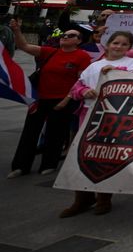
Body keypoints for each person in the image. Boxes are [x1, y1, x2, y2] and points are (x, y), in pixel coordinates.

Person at [58, 31, 133, 217]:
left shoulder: (132, 64)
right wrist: (84, 91)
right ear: (108, 44)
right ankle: (82, 198)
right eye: (116, 43)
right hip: (88, 114)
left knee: (105, 157)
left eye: (124, 44)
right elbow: (77, 87)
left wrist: (116, 72)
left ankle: (104, 198)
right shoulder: (94, 66)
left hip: (112, 116)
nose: (119, 47)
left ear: (129, 48)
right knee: (82, 155)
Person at [8, 19, 91, 178]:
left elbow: (80, 81)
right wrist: (17, 31)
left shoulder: (82, 56)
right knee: (30, 132)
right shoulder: (50, 52)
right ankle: (20, 166)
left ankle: (49, 164)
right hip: (40, 99)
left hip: (62, 100)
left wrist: (66, 100)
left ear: (79, 41)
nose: (65, 37)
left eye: (71, 35)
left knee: (55, 133)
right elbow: (24, 46)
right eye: (64, 35)